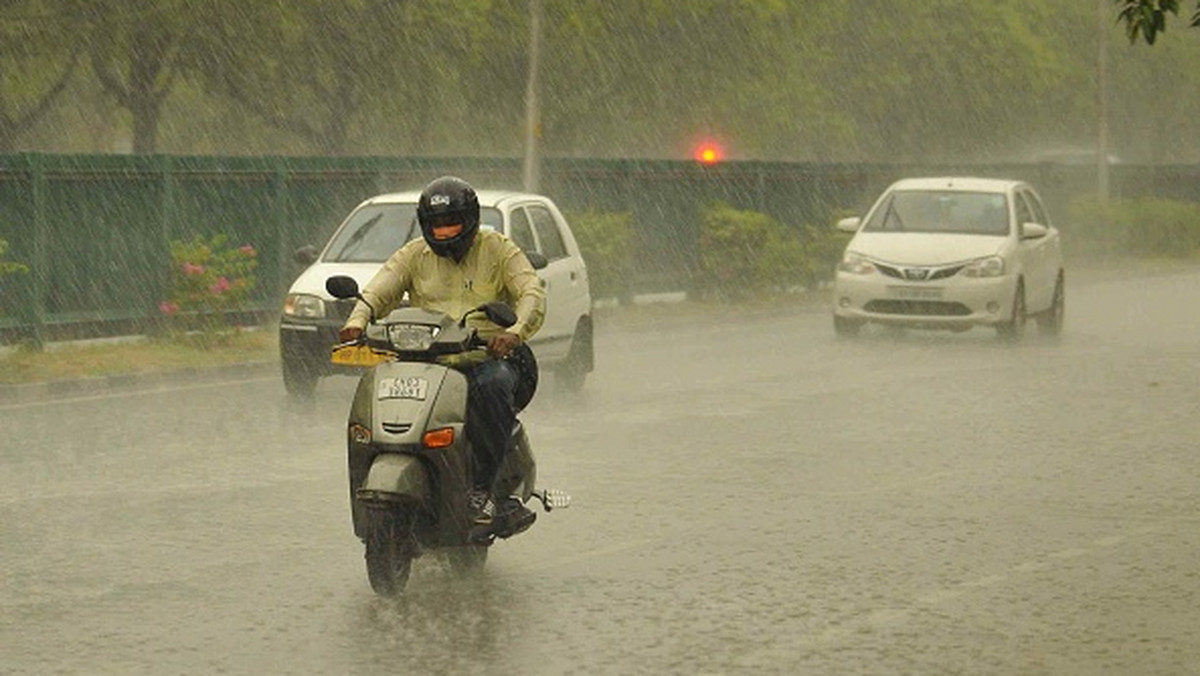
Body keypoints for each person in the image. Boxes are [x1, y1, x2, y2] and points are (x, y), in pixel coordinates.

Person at [338, 176, 546, 541]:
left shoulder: (499, 250)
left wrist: (513, 333)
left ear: (470, 221)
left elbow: (531, 292)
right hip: (425, 360)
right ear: (425, 224)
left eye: (451, 223)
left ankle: (483, 490)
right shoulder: (413, 255)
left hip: (484, 357)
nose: (445, 232)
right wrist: (356, 322)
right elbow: (378, 291)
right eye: (437, 225)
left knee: (493, 386)